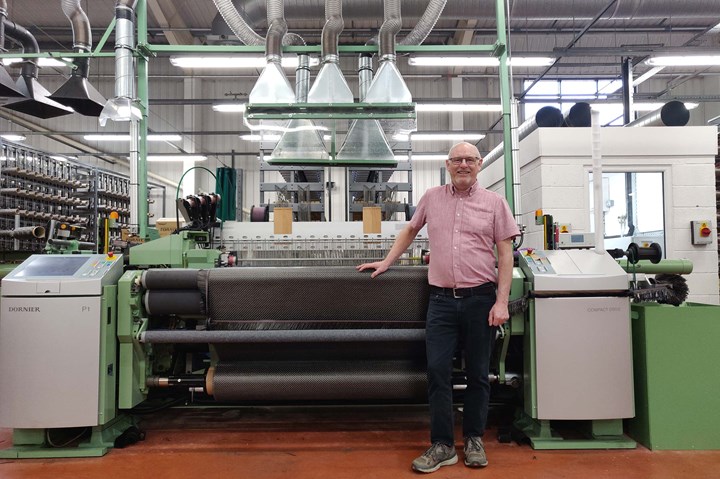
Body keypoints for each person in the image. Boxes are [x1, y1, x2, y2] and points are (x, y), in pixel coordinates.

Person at [357, 141, 520, 473]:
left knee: (478, 374)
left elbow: (505, 256)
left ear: (479, 164)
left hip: (480, 300)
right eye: (457, 160)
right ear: (447, 164)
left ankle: (474, 439)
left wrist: (501, 302)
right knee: (437, 372)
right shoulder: (432, 197)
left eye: (470, 160)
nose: (463, 164)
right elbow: (411, 229)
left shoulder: (495, 204)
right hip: (442, 302)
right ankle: (443, 444)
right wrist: (388, 261)